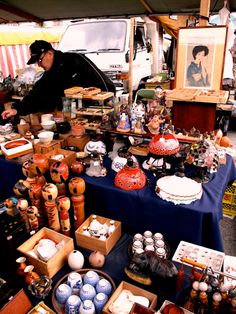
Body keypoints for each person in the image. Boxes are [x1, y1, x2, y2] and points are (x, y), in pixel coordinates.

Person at [1, 40, 116, 119]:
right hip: (73, 117)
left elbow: (101, 79)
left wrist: (109, 99)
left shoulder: (75, 59)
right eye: (37, 62)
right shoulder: (48, 75)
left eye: (39, 60)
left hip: (98, 111)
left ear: (50, 53)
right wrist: (16, 110)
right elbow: (36, 95)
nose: (39, 65)